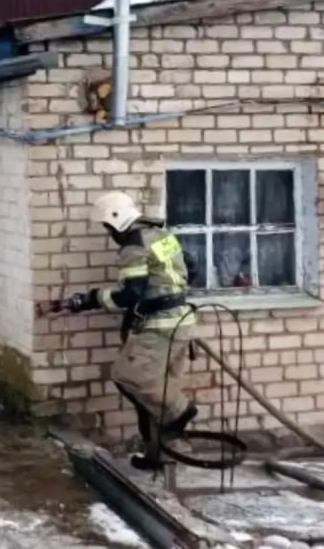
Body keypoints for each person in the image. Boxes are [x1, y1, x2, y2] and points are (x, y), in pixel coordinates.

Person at [58, 191, 198, 471]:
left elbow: (130, 295)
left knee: (129, 378)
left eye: (107, 227)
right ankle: (158, 454)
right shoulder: (162, 235)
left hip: (159, 328)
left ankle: (181, 411)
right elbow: (191, 268)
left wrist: (91, 299)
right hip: (182, 323)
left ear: (116, 220)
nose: (109, 233)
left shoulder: (133, 246)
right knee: (150, 395)